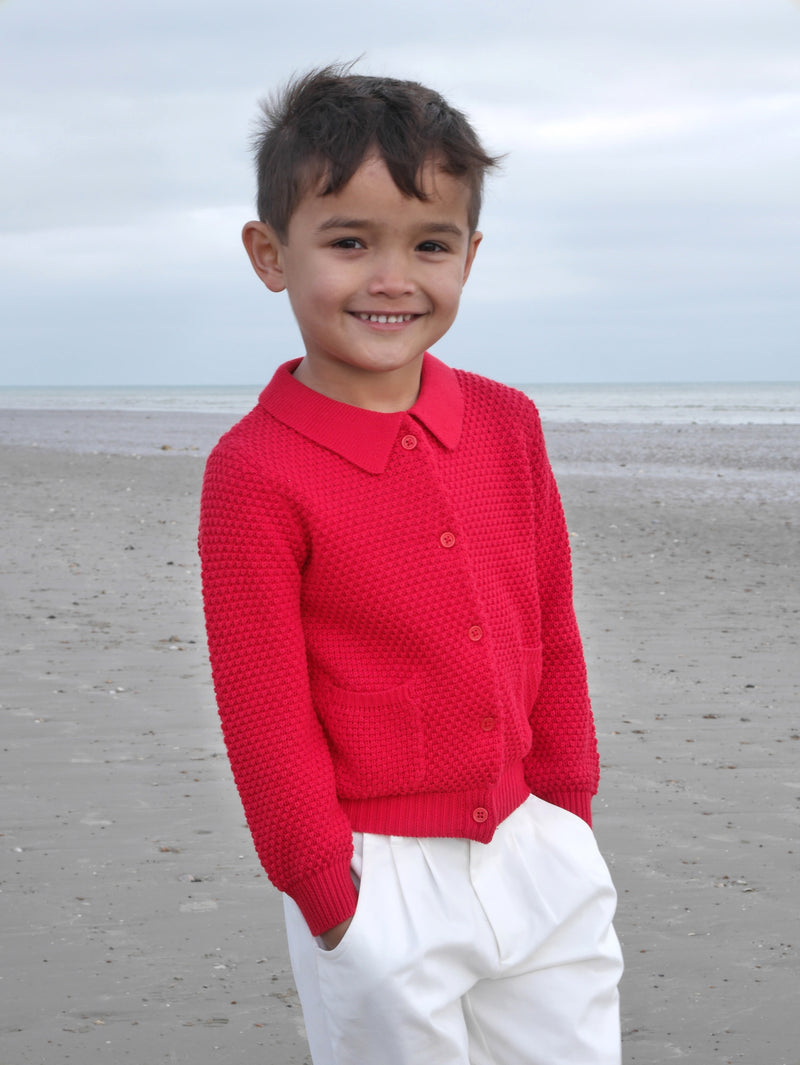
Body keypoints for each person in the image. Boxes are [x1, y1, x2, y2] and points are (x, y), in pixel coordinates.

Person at [199, 63, 623, 1065]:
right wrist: (327, 890)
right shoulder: (254, 472)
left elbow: (550, 626)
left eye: (429, 244)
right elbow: (264, 707)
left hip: (534, 843)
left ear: (469, 256)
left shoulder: (507, 423)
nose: (392, 278)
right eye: (349, 242)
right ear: (270, 254)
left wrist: (566, 807)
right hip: (372, 870)